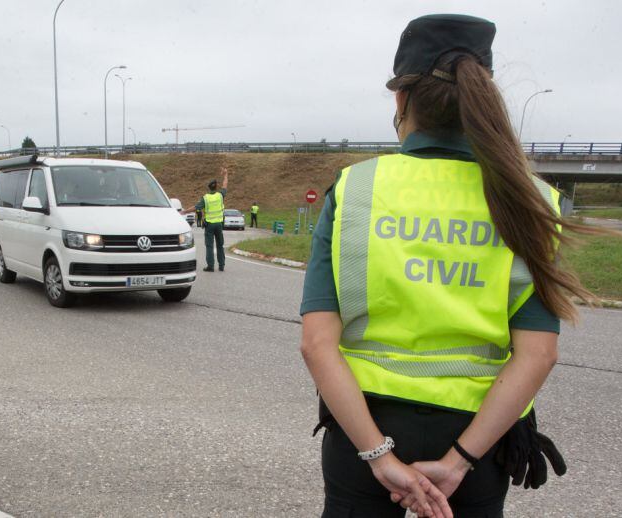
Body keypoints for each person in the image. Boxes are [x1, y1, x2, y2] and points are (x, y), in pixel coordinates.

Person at [298, 15, 586, 517]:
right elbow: (537, 355)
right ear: (483, 96)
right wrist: (459, 461)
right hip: (481, 435)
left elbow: (318, 344)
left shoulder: (357, 189)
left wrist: (378, 455)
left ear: (401, 99)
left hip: (364, 421)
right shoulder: (530, 201)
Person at [186, 167, 230, 272]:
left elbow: (195, 207)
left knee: (210, 246)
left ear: (209, 188)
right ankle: (221, 265)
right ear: (216, 187)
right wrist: (225, 174)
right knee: (220, 245)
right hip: (219, 224)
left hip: (209, 225)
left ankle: (210, 266)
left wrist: (183, 212)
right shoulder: (220, 195)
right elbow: (225, 185)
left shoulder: (205, 198)